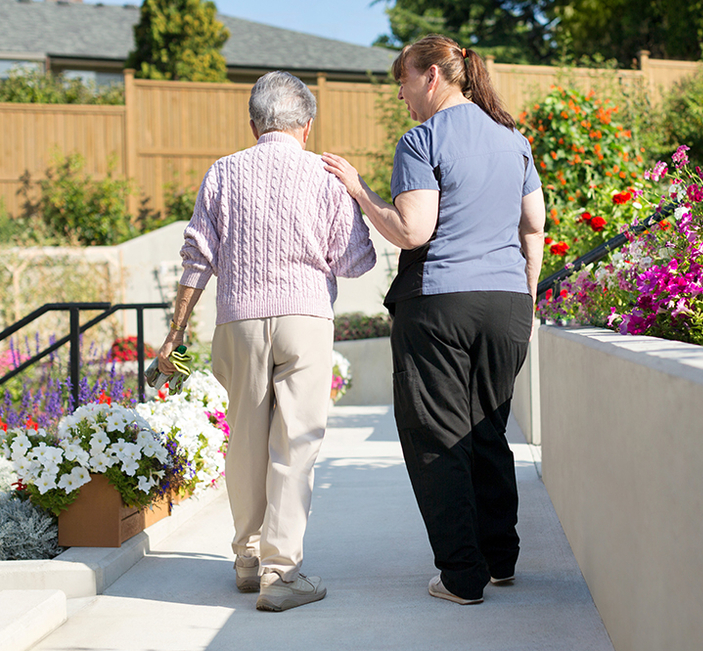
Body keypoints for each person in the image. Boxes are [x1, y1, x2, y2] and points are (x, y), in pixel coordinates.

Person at [322, 34, 546, 605]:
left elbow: (413, 231)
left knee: (440, 439)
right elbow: (533, 228)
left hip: (440, 304)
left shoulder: (422, 139)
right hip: (507, 305)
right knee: (487, 430)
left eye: (401, 80)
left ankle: (461, 575)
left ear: (430, 77)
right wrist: (525, 296)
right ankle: (500, 560)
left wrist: (359, 191)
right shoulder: (513, 140)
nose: (400, 94)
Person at [157, 70, 376, 612]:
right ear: (306, 126)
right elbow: (355, 260)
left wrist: (175, 334)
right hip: (304, 318)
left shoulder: (223, 172)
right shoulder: (325, 176)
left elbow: (197, 256)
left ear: (254, 123)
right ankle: (281, 575)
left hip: (237, 320)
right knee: (295, 444)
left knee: (247, 443)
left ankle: (247, 559)